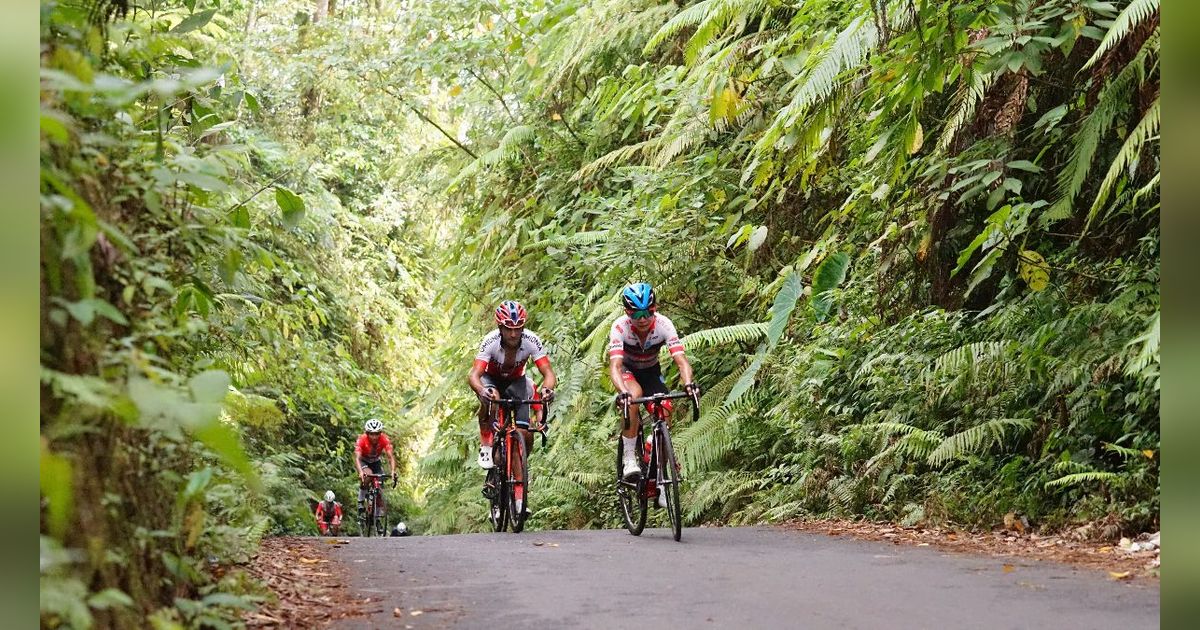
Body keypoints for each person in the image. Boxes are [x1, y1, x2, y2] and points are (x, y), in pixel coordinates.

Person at [608, 282, 700, 507]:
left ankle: (659, 479)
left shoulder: (664, 325)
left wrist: (688, 383)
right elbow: (615, 367)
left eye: (647, 312)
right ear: (627, 313)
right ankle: (629, 458)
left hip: (651, 373)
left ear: (655, 308)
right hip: (628, 372)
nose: (642, 319)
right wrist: (622, 391)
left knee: (665, 408)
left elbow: (681, 361)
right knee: (633, 395)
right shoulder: (620, 328)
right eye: (636, 314)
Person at [467, 300, 557, 514]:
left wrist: (547, 389)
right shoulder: (489, 342)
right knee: (491, 396)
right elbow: (474, 375)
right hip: (491, 379)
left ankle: (518, 500)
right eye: (509, 328)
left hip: (517, 381)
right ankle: (487, 445)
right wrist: (481, 391)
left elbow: (548, 373)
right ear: (500, 327)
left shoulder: (531, 340)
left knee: (522, 434)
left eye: (518, 328)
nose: (514, 334)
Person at [354, 418, 397, 525]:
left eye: (377, 434)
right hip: (364, 461)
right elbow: (357, 458)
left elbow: (390, 457)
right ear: (367, 433)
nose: (374, 437)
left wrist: (392, 471)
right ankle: (360, 501)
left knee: (380, 486)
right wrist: (360, 472)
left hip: (375, 461)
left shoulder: (384, 439)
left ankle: (377, 518)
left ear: (380, 433)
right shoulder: (362, 440)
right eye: (371, 434)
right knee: (368, 476)